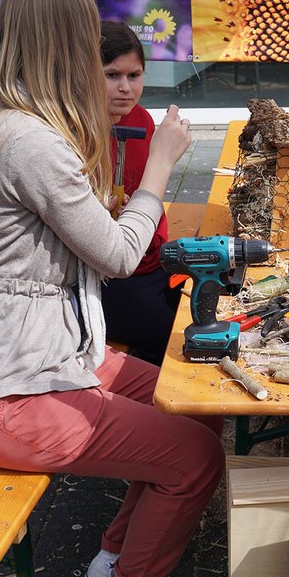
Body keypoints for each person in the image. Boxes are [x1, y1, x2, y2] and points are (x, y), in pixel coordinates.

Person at [0, 0, 224, 577]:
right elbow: (119, 255)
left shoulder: (1, 118)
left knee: (197, 405)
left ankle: (116, 564)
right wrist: (159, 166)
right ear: (67, 44)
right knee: (194, 458)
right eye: (91, 44)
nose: (103, 69)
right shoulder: (28, 140)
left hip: (42, 355)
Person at [99, 20, 179, 366]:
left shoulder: (142, 120)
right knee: (173, 334)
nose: (125, 88)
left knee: (208, 294)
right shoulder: (76, 132)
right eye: (112, 75)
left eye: (134, 75)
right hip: (108, 277)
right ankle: (142, 373)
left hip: (151, 258)